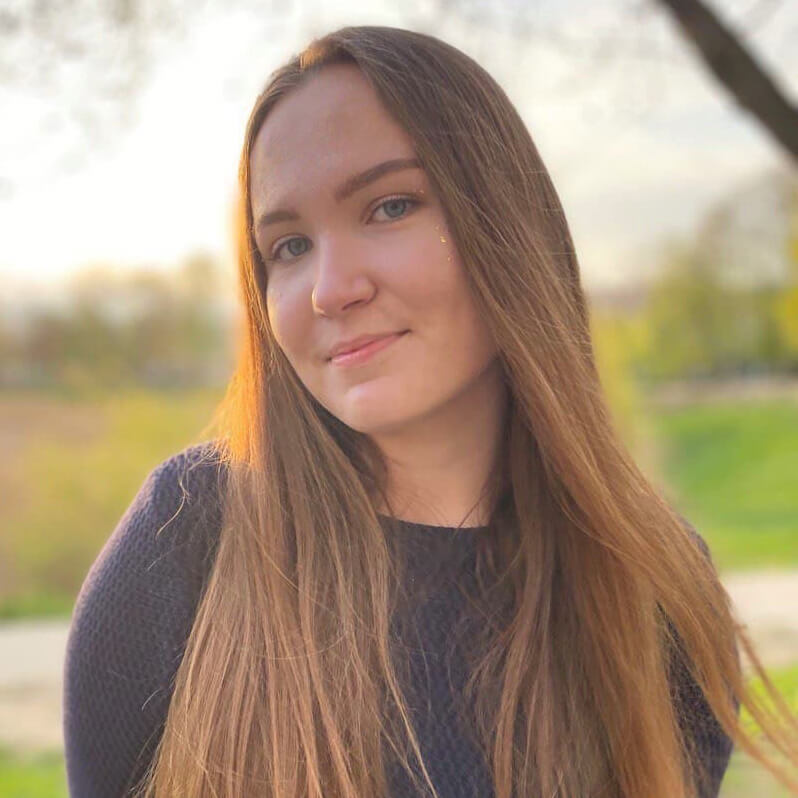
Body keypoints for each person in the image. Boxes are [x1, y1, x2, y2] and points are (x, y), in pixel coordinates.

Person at [63, 24, 798, 798]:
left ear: (507, 228)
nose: (330, 289)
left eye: (389, 207)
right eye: (288, 247)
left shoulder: (652, 585)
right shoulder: (187, 539)